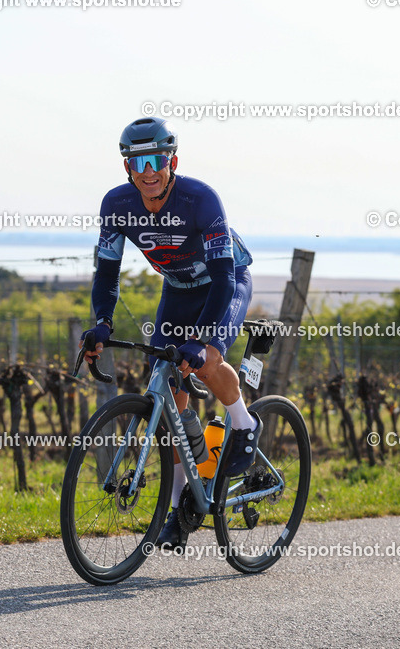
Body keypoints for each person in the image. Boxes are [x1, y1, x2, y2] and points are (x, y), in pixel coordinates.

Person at [80, 117, 260, 551]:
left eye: (156, 159)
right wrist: (102, 322)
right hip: (178, 289)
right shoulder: (116, 204)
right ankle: (182, 506)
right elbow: (106, 271)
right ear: (127, 168)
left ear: (171, 160)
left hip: (225, 281)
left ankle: (244, 422)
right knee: (168, 394)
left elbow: (221, 278)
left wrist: (202, 340)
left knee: (207, 359)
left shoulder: (200, 199)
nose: (147, 170)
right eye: (136, 161)